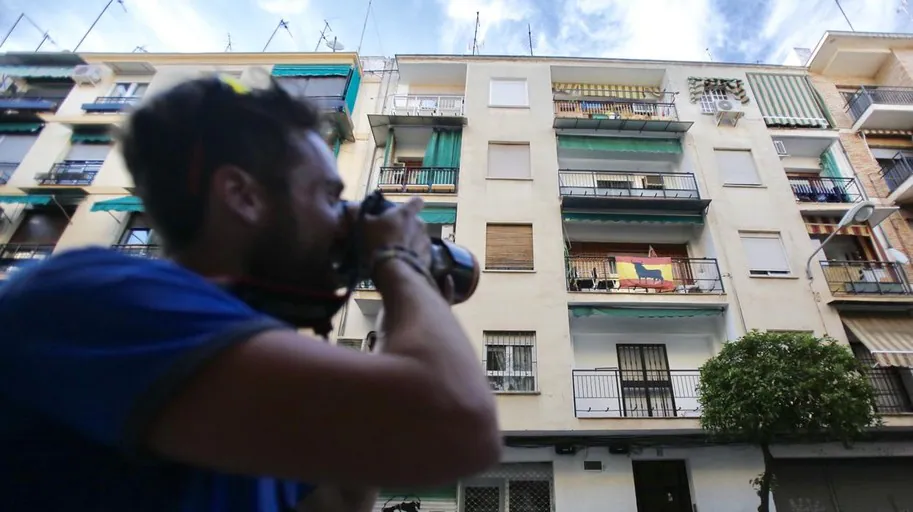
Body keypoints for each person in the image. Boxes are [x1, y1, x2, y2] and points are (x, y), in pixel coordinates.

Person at [0, 75, 501, 511]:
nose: (345, 220)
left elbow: (341, 501)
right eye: (329, 196)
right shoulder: (92, 298)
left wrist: (400, 300)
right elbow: (454, 428)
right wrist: (400, 259)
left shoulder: (239, 362)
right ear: (241, 195)